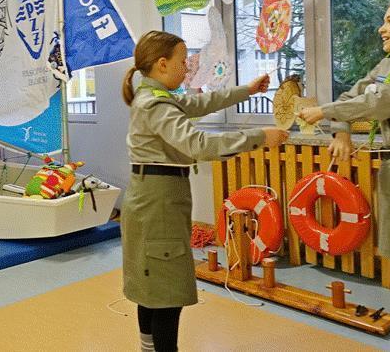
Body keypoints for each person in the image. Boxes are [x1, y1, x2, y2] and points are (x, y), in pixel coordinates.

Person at [121, 30, 289, 352]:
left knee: (152, 284)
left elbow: (201, 102)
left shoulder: (154, 96)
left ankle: (148, 348)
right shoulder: (155, 104)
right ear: (162, 64)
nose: (187, 67)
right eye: (183, 61)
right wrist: (259, 137)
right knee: (166, 292)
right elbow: (197, 144)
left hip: (153, 197)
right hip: (158, 202)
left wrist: (246, 90)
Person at [299, 0, 390, 352]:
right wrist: (342, 132)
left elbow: (382, 101)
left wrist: (324, 112)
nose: (382, 28)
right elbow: (353, 95)